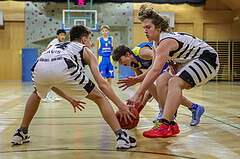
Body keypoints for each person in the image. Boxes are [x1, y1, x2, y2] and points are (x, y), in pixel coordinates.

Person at [11, 25, 137, 149]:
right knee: (100, 98)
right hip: (64, 64)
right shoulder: (85, 49)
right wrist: (121, 106)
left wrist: (69, 98)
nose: (90, 43)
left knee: (37, 93)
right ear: (84, 39)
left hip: (39, 66)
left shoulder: (55, 46)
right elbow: (102, 84)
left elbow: (51, 79)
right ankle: (121, 136)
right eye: (89, 40)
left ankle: (21, 132)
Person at [119, 4, 219, 138]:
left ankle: (165, 123)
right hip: (188, 61)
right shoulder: (156, 44)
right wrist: (138, 82)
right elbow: (153, 72)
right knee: (162, 80)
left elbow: (155, 70)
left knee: (174, 82)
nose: (145, 31)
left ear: (159, 28)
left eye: (148, 27)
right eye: (144, 28)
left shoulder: (165, 41)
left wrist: (137, 94)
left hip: (207, 59)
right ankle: (171, 123)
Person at [112, 43, 205, 126]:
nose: (120, 63)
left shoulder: (141, 52)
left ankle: (165, 113)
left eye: (120, 60)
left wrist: (170, 62)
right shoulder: (131, 64)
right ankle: (194, 108)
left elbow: (158, 56)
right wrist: (138, 99)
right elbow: (143, 81)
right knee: (152, 90)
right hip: (156, 70)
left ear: (127, 54)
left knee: (157, 90)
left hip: (166, 65)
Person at [42, 29, 67, 102]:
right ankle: (45, 96)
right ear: (57, 35)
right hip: (48, 63)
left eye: (64, 35)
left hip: (54, 63)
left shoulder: (61, 43)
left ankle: (53, 95)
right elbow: (47, 50)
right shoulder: (55, 42)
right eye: (61, 35)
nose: (63, 37)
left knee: (57, 80)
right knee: (51, 81)